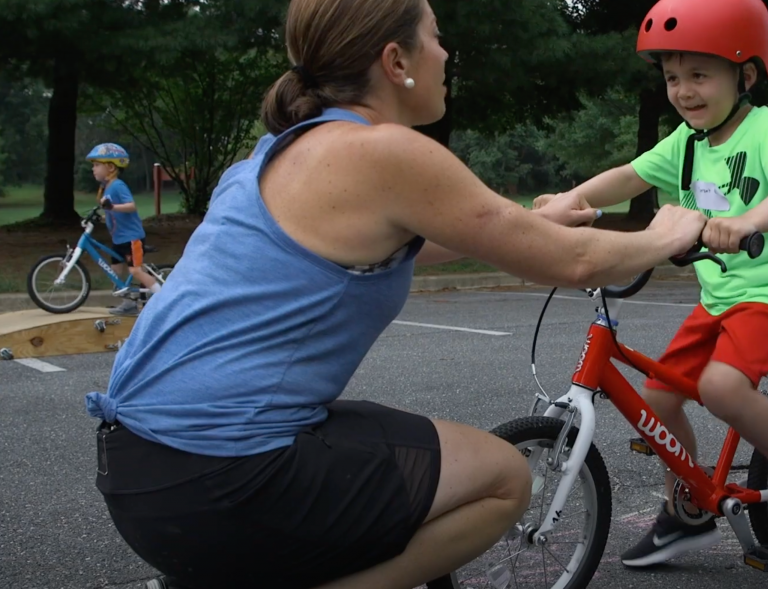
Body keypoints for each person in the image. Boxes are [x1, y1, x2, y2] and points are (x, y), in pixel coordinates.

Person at [82, 1, 709, 588]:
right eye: (437, 37)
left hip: (141, 471)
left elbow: (425, 233)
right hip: (223, 476)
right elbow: (576, 263)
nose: (446, 52)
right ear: (396, 62)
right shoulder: (385, 151)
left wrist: (534, 223)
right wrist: (667, 232)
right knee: (502, 479)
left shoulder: (274, 153)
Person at [534, 0, 768, 568]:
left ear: (744, 76)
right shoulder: (686, 142)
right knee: (658, 396)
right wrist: (571, 200)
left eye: (700, 74)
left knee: (724, 389)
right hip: (719, 298)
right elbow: (628, 175)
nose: (684, 90)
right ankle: (690, 507)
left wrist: (747, 221)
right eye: (674, 77)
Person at [88, 143, 161, 316]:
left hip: (131, 238)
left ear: (111, 167)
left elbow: (131, 206)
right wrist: (104, 216)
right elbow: (114, 213)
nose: (93, 169)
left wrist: (111, 208)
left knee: (135, 270)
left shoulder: (118, 185)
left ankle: (162, 298)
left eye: (97, 165)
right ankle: (129, 303)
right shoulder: (106, 187)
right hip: (118, 240)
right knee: (115, 272)